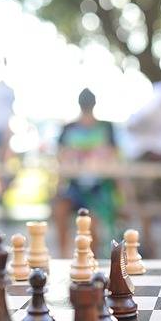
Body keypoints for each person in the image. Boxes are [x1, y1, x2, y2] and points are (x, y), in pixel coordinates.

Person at [54, 88, 119, 258]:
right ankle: (63, 256)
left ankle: (91, 260)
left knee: (92, 224)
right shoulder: (69, 128)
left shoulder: (106, 127)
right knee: (60, 210)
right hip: (75, 186)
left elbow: (113, 157)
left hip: (98, 187)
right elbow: (61, 158)